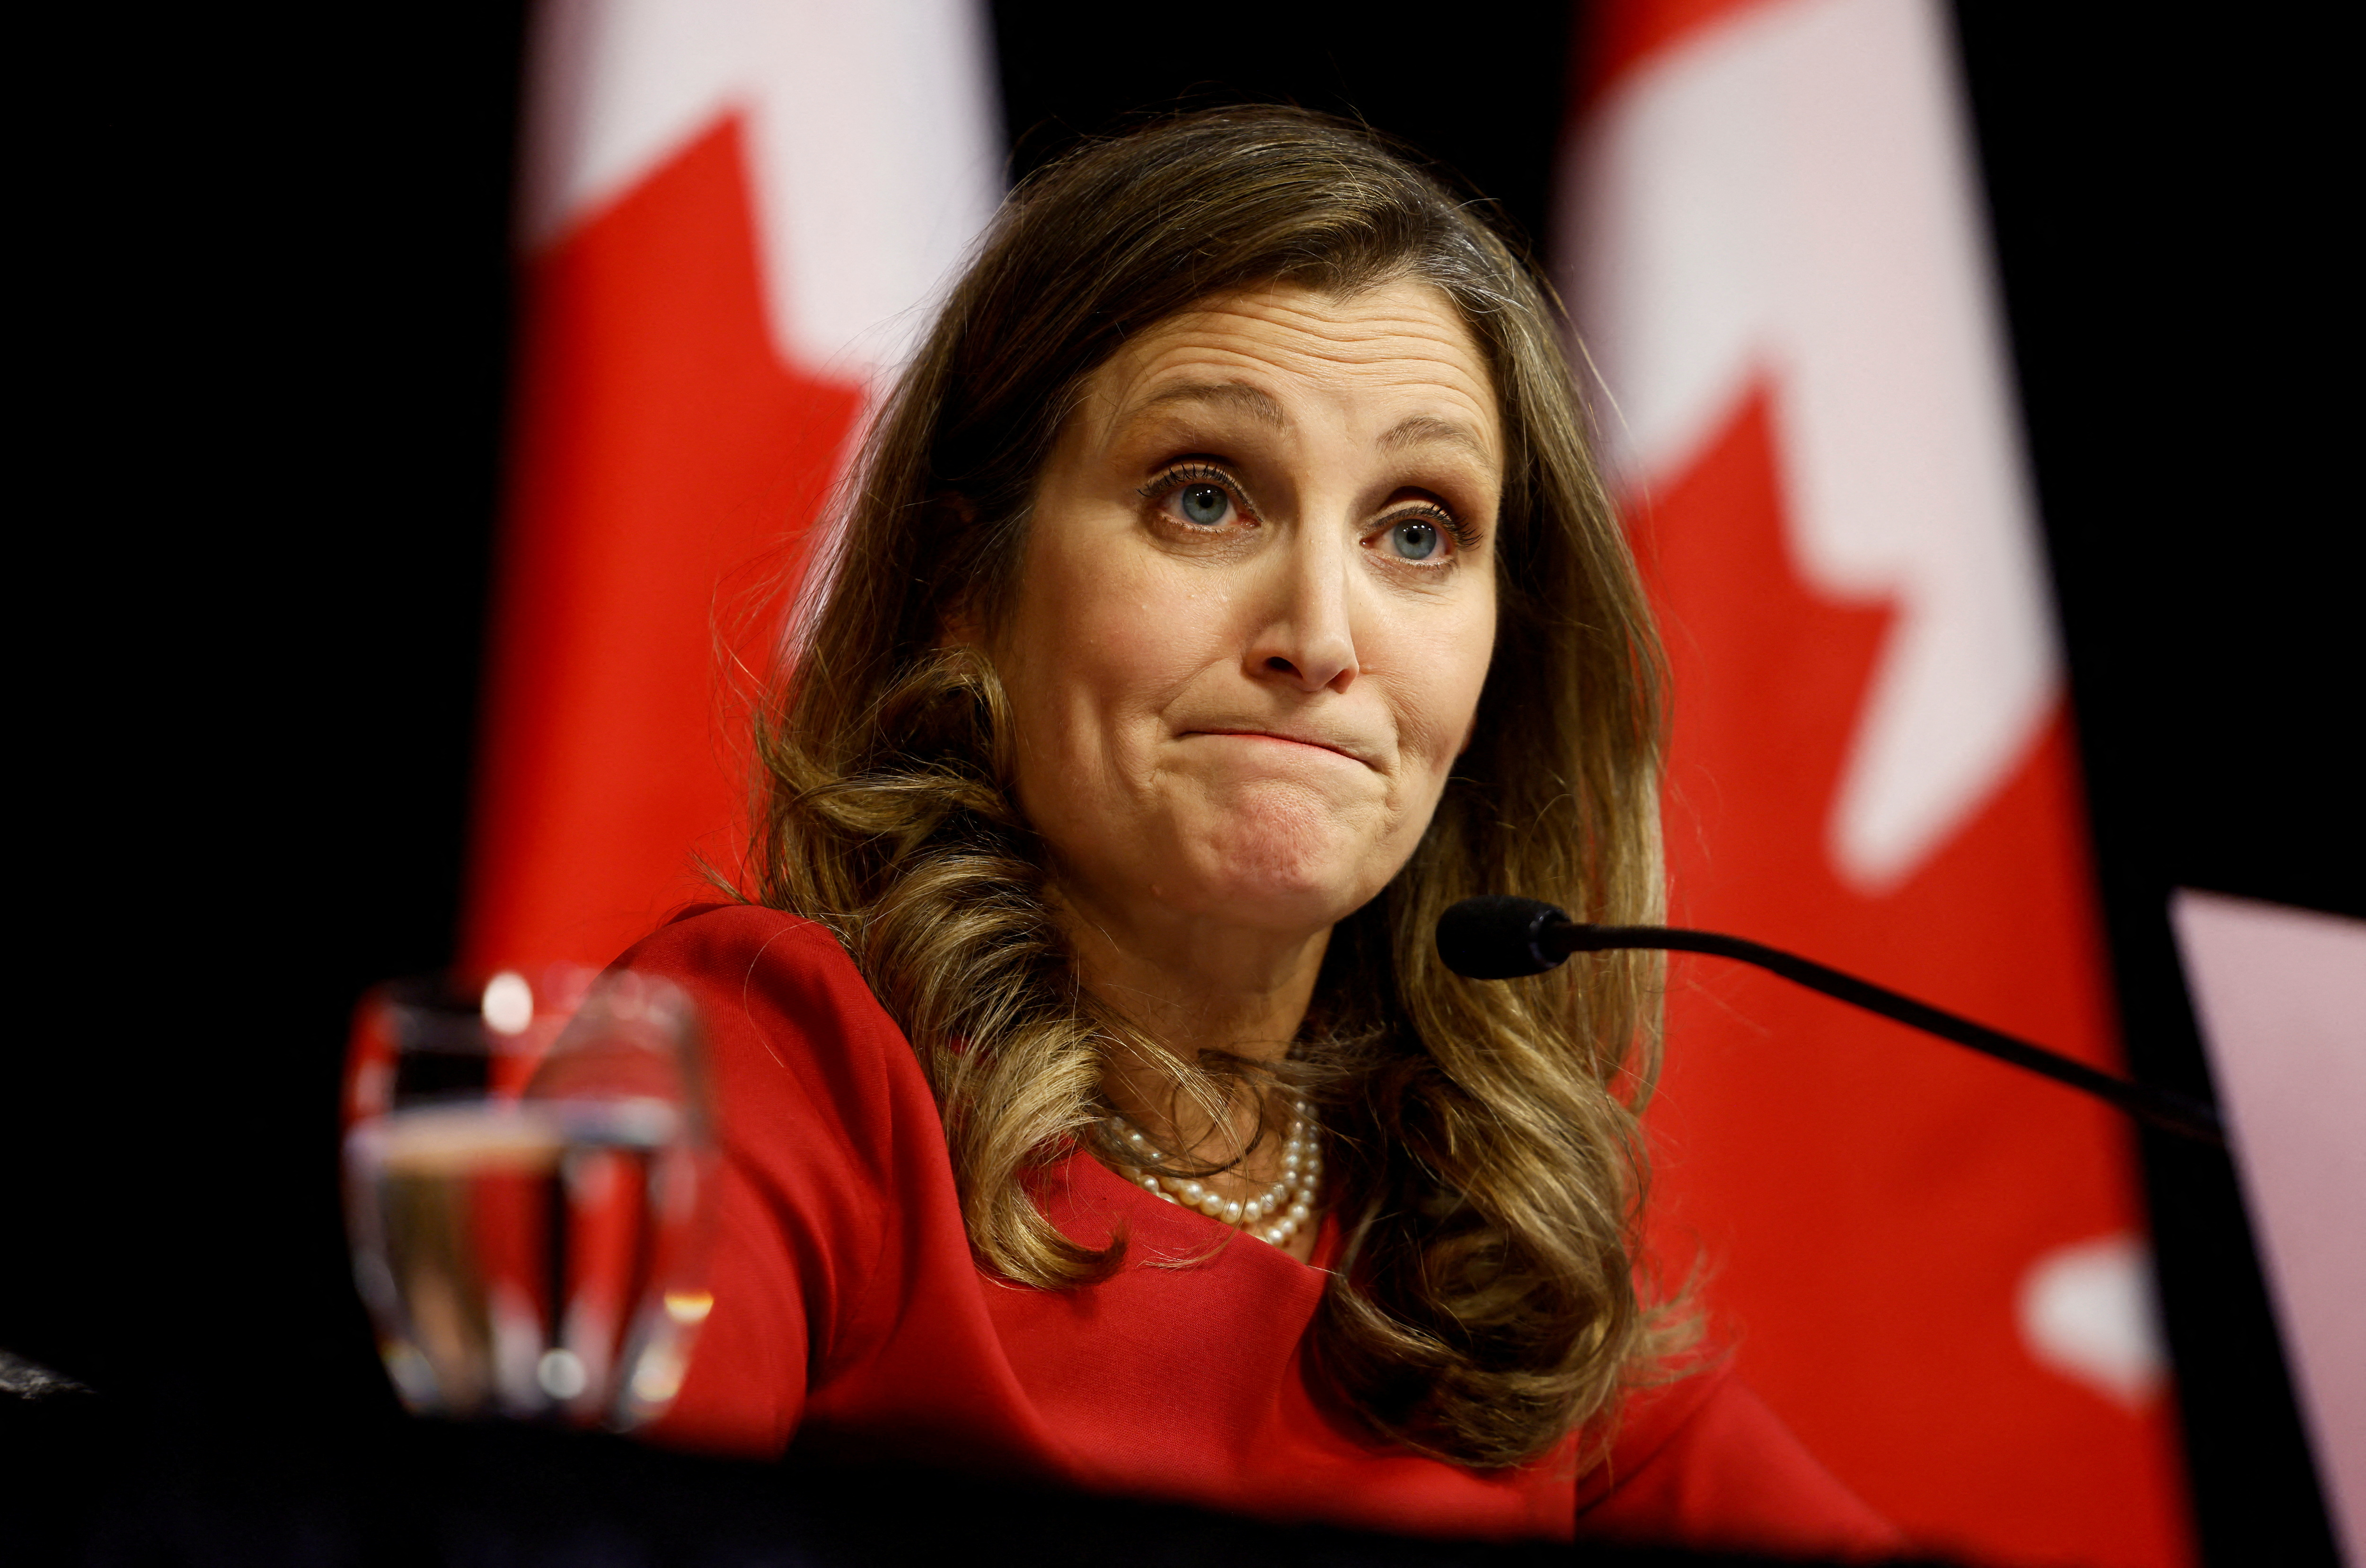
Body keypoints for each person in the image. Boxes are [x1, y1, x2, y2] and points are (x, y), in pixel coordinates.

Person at [626, 106, 1898, 1557]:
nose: (1320, 637)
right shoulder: (781, 1064)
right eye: (1207, 497)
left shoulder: (1484, 1259)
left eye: (1417, 532)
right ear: (961, 584)